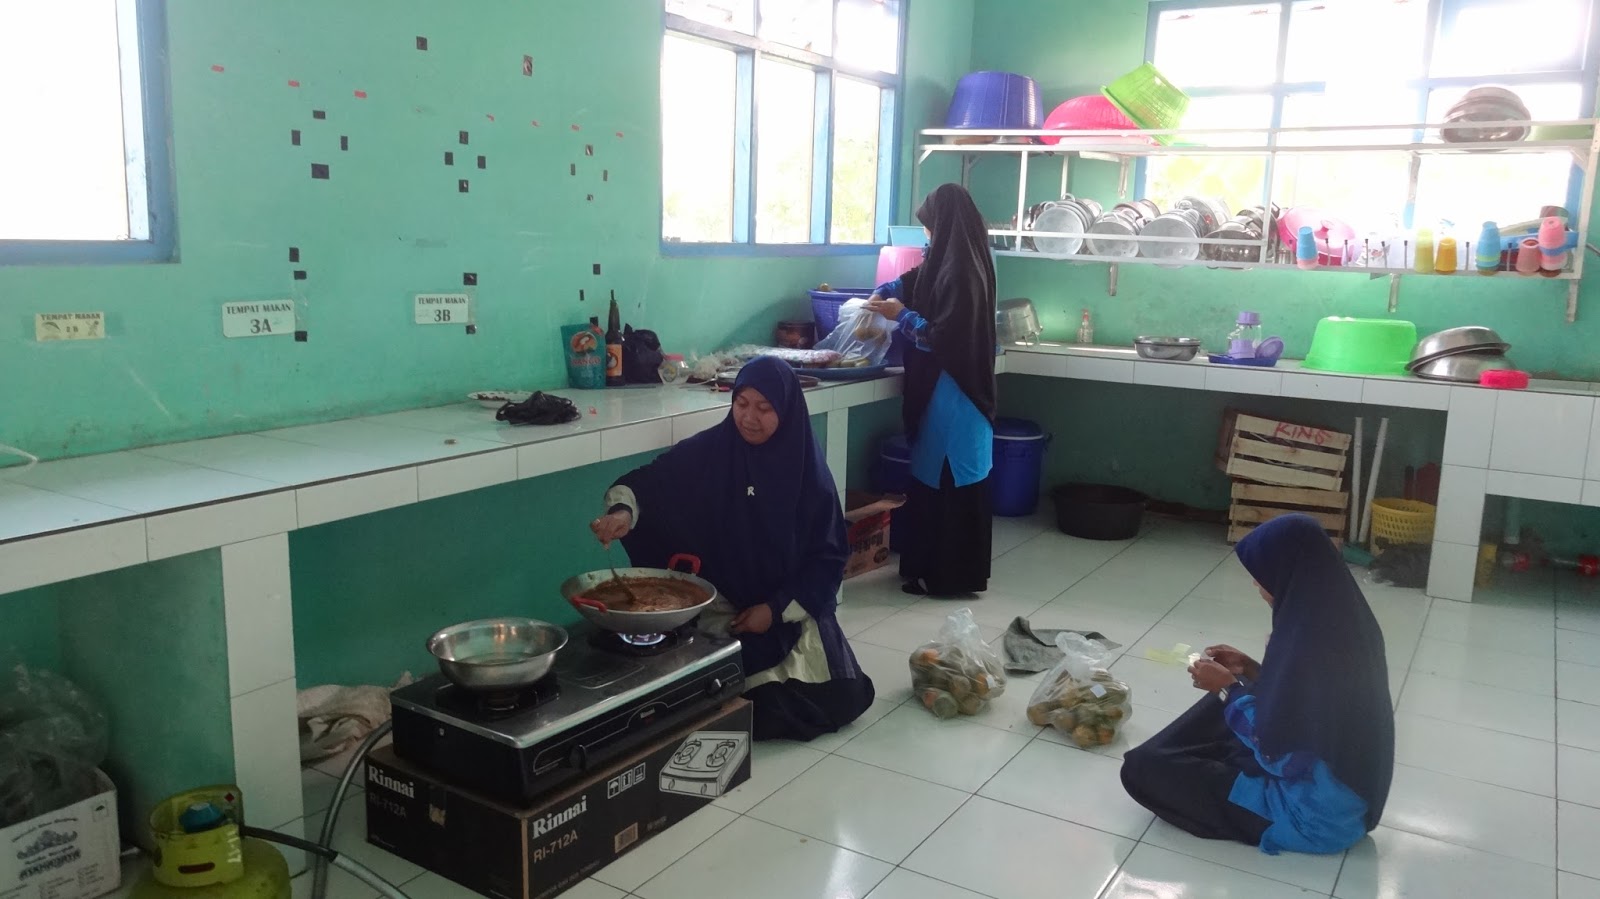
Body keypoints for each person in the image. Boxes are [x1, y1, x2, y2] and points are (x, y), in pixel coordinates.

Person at [588, 356, 875, 742]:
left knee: (840, 697)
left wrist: (772, 610)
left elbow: (828, 558)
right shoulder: (712, 450)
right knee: (723, 701)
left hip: (789, 609)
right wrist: (622, 513)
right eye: (741, 403)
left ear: (786, 411)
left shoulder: (807, 475)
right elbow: (648, 482)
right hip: (723, 607)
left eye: (764, 408)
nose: (749, 418)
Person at [1119, 513, 1395, 855]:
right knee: (1238, 694)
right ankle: (1212, 747)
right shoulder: (1338, 619)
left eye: (1262, 573)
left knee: (1141, 769)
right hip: (1341, 788)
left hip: (1313, 815)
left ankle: (1207, 766)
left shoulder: (1309, 644)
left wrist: (1227, 689)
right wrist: (1251, 670)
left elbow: (1284, 755)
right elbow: (1312, 703)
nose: (1255, 583)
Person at [864, 183, 997, 597]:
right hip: (945, 393)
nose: (926, 235)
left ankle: (947, 577)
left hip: (956, 393)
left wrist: (901, 316)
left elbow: (942, 338)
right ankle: (926, 570)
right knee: (934, 481)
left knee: (948, 481)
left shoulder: (963, 273)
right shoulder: (951, 261)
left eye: (929, 226)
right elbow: (914, 281)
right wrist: (885, 292)